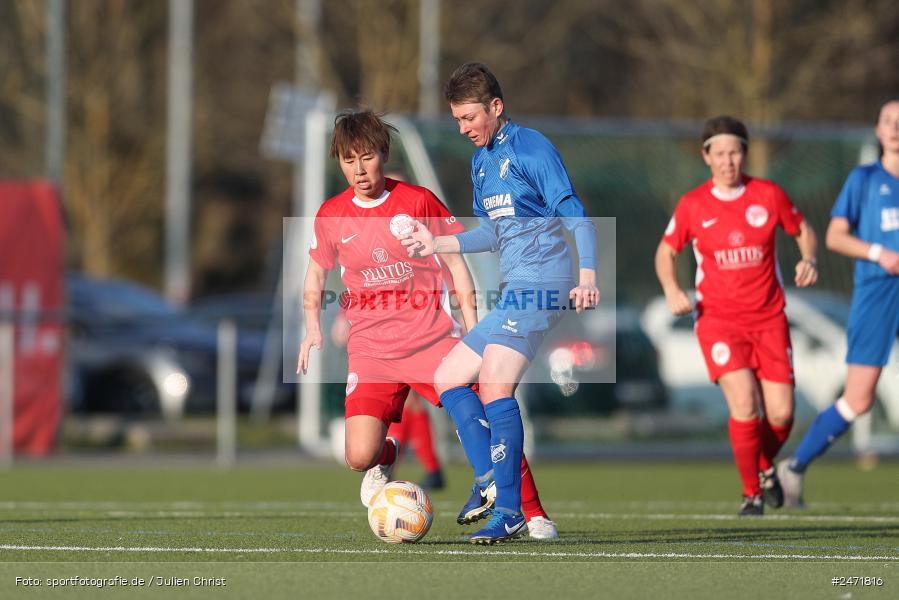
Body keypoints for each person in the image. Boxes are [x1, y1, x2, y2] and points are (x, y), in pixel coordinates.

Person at [297, 108, 557, 539]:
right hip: (372, 350)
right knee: (359, 456)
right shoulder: (331, 214)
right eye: (348, 160)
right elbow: (315, 272)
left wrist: (472, 324)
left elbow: (456, 261)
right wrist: (312, 326)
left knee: (489, 418)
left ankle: (532, 513)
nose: (359, 171)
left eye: (367, 157)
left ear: (383, 152)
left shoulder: (417, 201)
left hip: (431, 341)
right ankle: (387, 455)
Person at [402, 63, 600, 544]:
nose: (464, 128)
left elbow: (574, 211)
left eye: (470, 118)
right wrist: (439, 244)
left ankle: (510, 510)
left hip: (546, 283)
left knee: (494, 384)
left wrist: (588, 274)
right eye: (457, 121)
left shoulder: (533, 148)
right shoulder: (481, 161)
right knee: (448, 377)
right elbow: (492, 232)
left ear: (496, 107)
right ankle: (492, 478)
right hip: (516, 290)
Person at [654, 115, 819, 516]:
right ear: (706, 156)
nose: (729, 160)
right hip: (718, 321)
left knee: (781, 414)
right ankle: (752, 493)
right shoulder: (694, 204)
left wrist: (809, 258)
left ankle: (762, 467)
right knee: (744, 402)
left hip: (769, 319)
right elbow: (665, 252)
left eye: (736, 151)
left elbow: (803, 230)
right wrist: (672, 289)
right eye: (721, 153)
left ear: (745, 154)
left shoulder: (768, 195)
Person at [778, 99, 899, 507]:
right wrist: (879, 254)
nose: (896, 127)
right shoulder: (864, 179)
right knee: (860, 398)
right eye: (888, 121)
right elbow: (834, 236)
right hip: (878, 293)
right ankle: (793, 469)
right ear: (878, 131)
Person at [331, 306, 445, 490]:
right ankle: (427, 468)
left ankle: (408, 466)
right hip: (375, 342)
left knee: (410, 402)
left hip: (406, 331)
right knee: (409, 403)